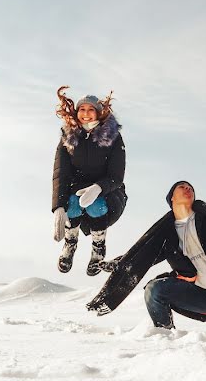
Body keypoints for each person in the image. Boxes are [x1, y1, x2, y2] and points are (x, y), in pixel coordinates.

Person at [86, 181, 206, 328]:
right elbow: (143, 256)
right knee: (154, 290)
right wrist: (118, 265)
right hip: (195, 294)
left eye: (190, 187)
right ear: (171, 197)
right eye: (182, 186)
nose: (188, 188)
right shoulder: (167, 233)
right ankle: (165, 339)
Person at [52, 86, 127, 276]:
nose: (86, 114)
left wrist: (98, 188)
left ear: (99, 113)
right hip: (76, 190)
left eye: (91, 109)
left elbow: (117, 176)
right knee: (73, 204)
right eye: (82, 110)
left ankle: (98, 247)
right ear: (77, 113)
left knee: (96, 205)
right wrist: (59, 207)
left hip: (108, 191)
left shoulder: (113, 137)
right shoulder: (68, 137)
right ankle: (70, 243)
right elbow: (61, 173)